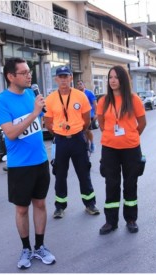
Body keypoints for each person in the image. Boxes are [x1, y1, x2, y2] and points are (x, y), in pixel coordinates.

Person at [0, 57, 55, 269]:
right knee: (22, 209)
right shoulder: (1, 101)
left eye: (29, 71)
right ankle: (26, 248)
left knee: (40, 204)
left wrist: (46, 117)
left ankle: (40, 246)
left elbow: (42, 122)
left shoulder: (32, 94)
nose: (29, 75)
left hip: (40, 160)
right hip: (20, 165)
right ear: (11, 76)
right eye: (24, 72)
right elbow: (10, 133)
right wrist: (35, 113)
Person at [96, 65, 146, 235]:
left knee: (131, 184)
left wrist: (131, 136)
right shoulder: (103, 101)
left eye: (116, 77)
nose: (113, 81)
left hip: (131, 149)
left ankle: (131, 219)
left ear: (123, 80)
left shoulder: (133, 99)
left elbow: (142, 123)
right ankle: (111, 221)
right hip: (110, 149)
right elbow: (101, 123)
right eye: (110, 77)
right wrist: (112, 136)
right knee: (111, 184)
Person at [44, 66, 100, 219]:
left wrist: (77, 131)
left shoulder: (80, 96)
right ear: (56, 79)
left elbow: (87, 119)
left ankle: (90, 204)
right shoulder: (50, 99)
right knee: (60, 174)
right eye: (60, 76)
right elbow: (48, 122)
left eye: (66, 76)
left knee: (84, 172)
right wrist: (59, 133)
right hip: (61, 141)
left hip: (78, 140)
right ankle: (60, 207)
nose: (63, 79)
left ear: (71, 78)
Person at [76, 80, 97, 153]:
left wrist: (95, 113)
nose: (79, 85)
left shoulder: (89, 93)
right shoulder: (77, 94)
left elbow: (94, 103)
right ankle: (86, 144)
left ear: (84, 85)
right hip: (80, 115)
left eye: (80, 84)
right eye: (78, 84)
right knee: (82, 131)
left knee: (88, 130)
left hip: (89, 114)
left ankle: (92, 143)